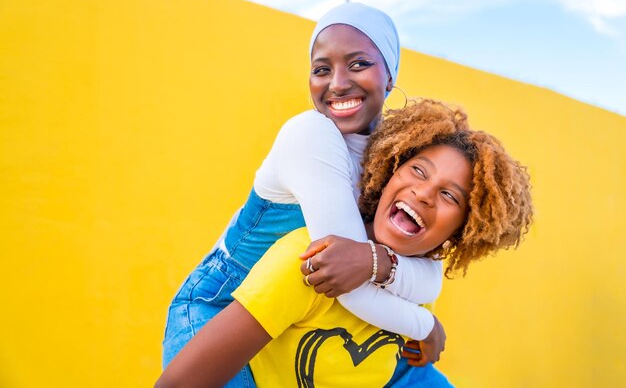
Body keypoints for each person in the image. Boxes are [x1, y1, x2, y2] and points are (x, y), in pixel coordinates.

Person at [155, 99, 534, 388]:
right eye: (418, 170)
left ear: (462, 231)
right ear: (388, 171)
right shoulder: (309, 260)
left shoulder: (416, 281)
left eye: (450, 196)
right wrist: (425, 324)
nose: (424, 193)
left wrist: (425, 324)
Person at [162, 3, 445, 386]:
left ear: (390, 75)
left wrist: (374, 260)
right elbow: (348, 280)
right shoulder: (310, 135)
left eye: (358, 64)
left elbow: (430, 273)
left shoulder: (398, 156)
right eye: (321, 69)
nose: (338, 83)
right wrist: (424, 325)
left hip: (298, 317)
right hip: (222, 307)